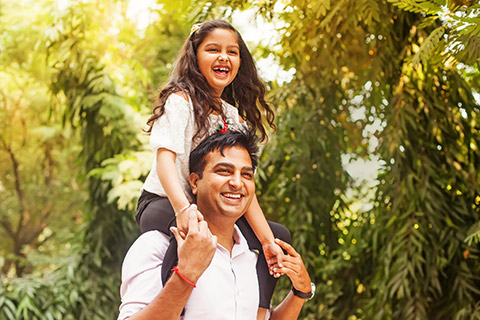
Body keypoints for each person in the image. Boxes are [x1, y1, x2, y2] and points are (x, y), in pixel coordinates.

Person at [136, 19, 287, 308]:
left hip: (208, 205)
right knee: (193, 231)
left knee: (278, 236)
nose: (223, 57)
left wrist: (267, 241)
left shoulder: (233, 117)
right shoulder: (180, 102)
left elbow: (243, 188)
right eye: (213, 49)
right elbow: (165, 160)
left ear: (240, 62)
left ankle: (258, 312)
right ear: (195, 57)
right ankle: (173, 309)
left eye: (232, 52)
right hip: (163, 200)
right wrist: (183, 209)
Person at [118, 131, 314, 319]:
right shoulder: (156, 245)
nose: (237, 183)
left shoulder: (250, 254)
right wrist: (186, 274)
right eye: (224, 171)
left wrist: (300, 292)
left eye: (246, 175)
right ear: (194, 182)